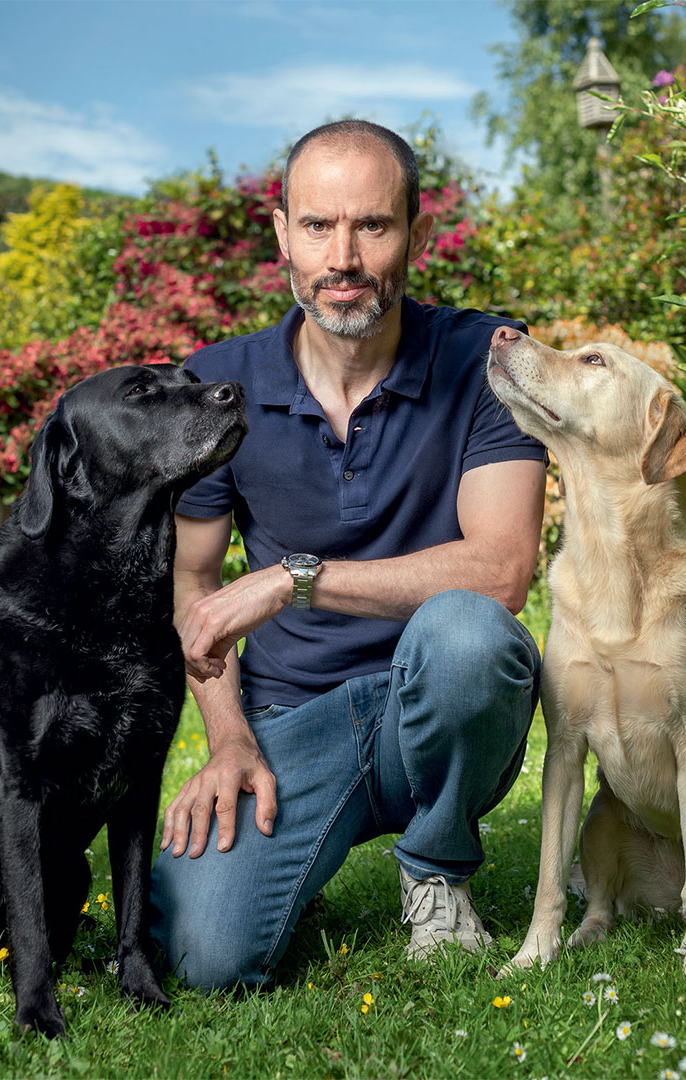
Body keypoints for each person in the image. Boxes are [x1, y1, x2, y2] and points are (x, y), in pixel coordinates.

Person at [150, 119, 546, 990]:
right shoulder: (218, 386)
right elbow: (193, 586)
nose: (346, 257)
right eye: (320, 226)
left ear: (416, 231)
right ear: (282, 234)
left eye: (373, 225)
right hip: (290, 720)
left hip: (438, 707)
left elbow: (502, 570)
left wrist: (294, 580)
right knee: (198, 954)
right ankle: (301, 860)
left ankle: (437, 868)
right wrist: (225, 742)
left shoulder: (484, 361)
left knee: (468, 637)